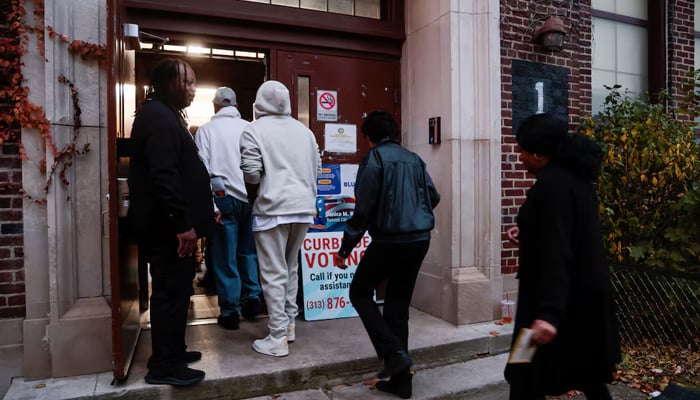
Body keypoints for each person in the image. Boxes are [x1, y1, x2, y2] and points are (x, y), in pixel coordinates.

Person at [504, 113, 621, 400]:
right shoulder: (575, 182)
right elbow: (568, 234)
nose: (520, 157)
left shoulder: (551, 188)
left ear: (538, 153)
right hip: (581, 300)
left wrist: (548, 314)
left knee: (522, 372)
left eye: (521, 150)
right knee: (588, 374)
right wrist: (528, 232)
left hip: (554, 302)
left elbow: (558, 250)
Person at [333, 110, 440, 399]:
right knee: (397, 308)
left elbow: (363, 208)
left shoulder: (374, 158)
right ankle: (401, 381)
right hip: (419, 240)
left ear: (369, 138)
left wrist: (345, 248)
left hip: (390, 240)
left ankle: (393, 353)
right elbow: (434, 196)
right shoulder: (415, 159)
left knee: (359, 292)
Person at [128, 58, 215, 386]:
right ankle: (164, 366)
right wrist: (182, 222)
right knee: (169, 294)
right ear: (167, 83)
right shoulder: (159, 117)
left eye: (194, 82)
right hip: (168, 231)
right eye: (187, 82)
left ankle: (174, 351)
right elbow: (164, 176)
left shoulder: (165, 114)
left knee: (178, 293)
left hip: (172, 227)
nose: (193, 89)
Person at [239, 80, 321, 357]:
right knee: (290, 268)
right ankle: (288, 326)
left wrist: (257, 192)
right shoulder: (305, 132)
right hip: (303, 208)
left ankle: (276, 337)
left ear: (259, 102)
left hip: (272, 209)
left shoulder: (254, 130)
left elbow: (251, 173)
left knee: (274, 273)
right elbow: (317, 167)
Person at [195, 87, 265, 329]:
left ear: (215, 107)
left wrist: (211, 204)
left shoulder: (206, 130)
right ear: (235, 106)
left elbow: (201, 169)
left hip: (223, 197)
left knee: (226, 255)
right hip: (250, 197)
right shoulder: (251, 128)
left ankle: (230, 311)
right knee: (248, 251)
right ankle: (253, 298)